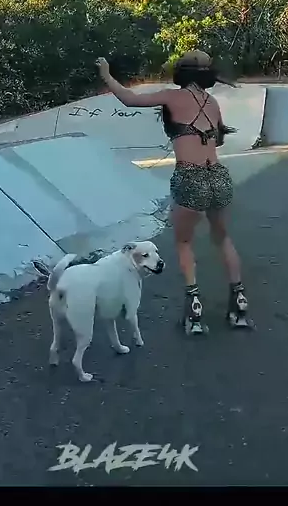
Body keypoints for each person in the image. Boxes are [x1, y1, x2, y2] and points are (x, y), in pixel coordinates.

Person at [96, 51, 252, 335]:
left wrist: (106, 73)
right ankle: (239, 302)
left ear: (182, 72)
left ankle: (194, 309)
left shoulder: (172, 96)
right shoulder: (213, 102)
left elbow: (129, 99)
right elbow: (217, 139)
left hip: (190, 176)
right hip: (218, 176)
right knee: (222, 238)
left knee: (184, 242)